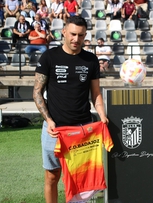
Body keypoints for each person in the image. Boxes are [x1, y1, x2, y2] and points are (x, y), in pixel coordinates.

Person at [33, 16, 108, 203]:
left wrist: (102, 115)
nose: (76, 39)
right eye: (73, 34)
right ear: (64, 32)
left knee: (81, 178)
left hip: (83, 130)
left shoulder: (91, 60)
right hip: (55, 130)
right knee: (52, 176)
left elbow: (96, 93)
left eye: (81, 35)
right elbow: (37, 93)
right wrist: (49, 120)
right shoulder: (49, 57)